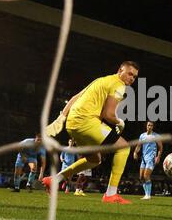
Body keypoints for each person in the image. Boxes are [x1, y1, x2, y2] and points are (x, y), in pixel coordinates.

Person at [43, 61, 139, 204]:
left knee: (94, 159)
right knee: (124, 147)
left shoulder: (101, 80)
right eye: (130, 74)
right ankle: (111, 194)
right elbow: (108, 114)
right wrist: (120, 122)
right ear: (120, 70)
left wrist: (62, 117)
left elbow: (76, 97)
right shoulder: (119, 85)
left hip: (72, 123)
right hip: (85, 121)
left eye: (135, 77)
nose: (132, 78)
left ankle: (55, 180)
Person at [133, 121, 163, 200]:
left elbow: (160, 148)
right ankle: (146, 194)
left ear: (153, 127)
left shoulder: (156, 136)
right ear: (146, 126)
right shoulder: (142, 135)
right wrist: (135, 152)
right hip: (143, 158)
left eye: (151, 125)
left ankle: (148, 195)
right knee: (141, 177)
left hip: (151, 158)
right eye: (148, 125)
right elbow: (139, 146)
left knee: (146, 176)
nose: (150, 126)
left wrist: (158, 157)